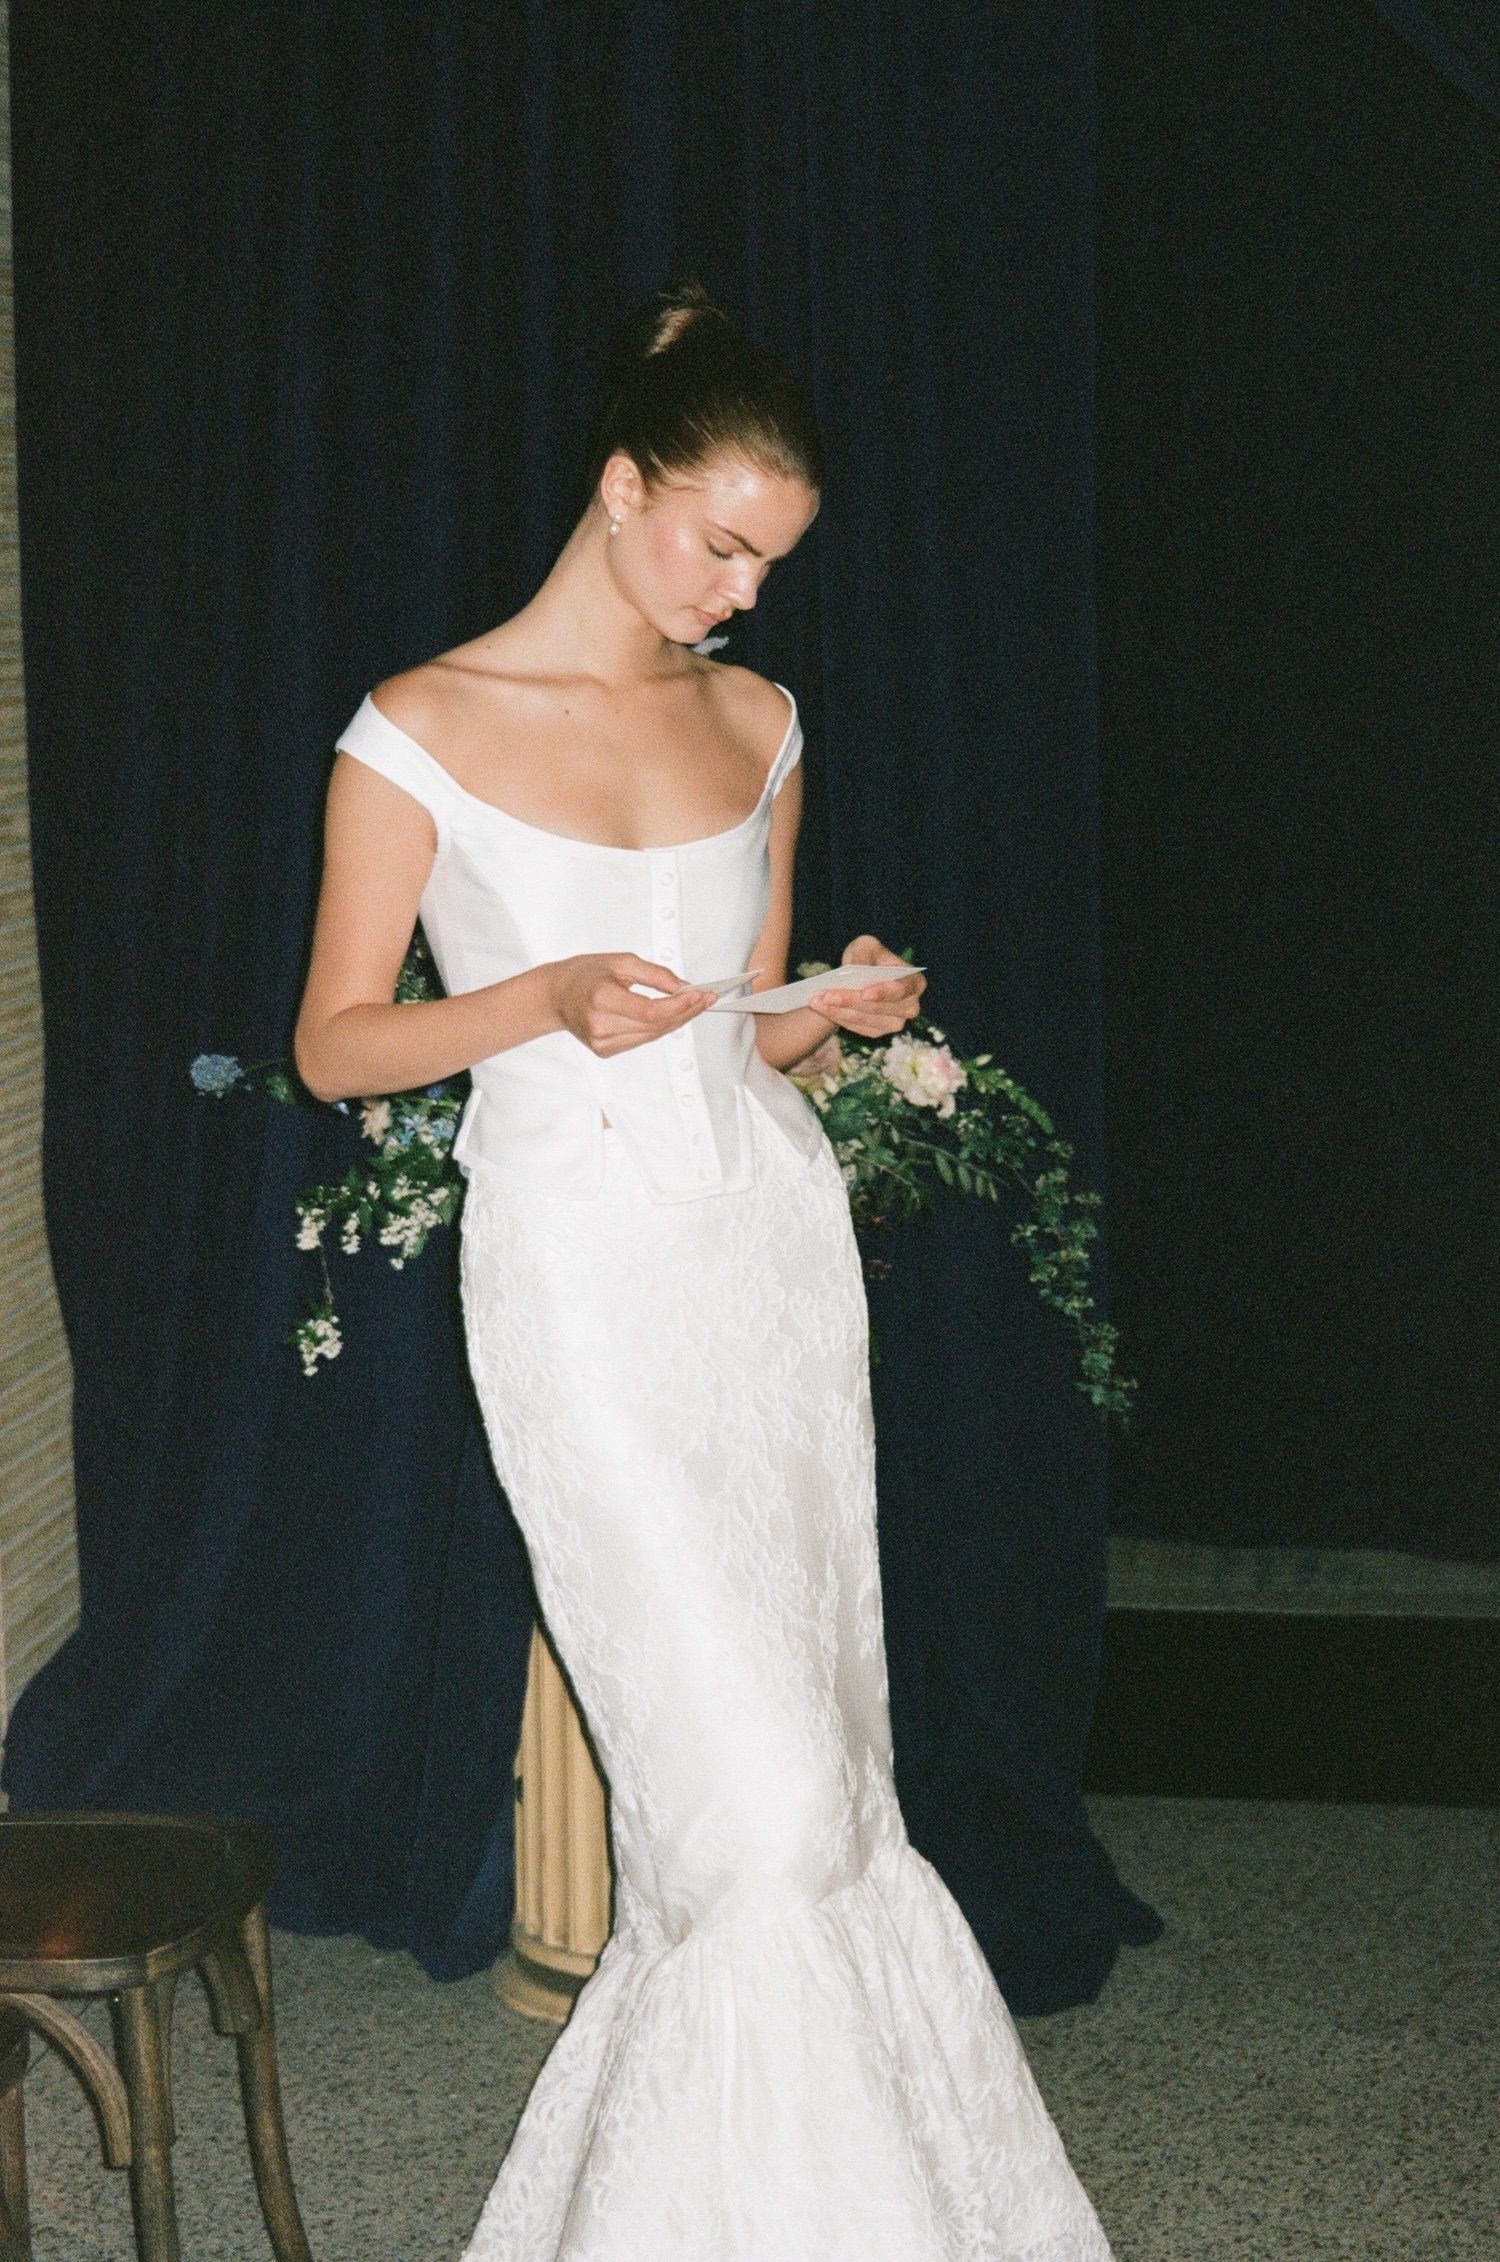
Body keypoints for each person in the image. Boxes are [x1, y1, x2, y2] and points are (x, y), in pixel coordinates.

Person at [294, 279, 1113, 2261]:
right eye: (720, 543)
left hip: (766, 1267)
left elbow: (738, 1034)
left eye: (772, 563)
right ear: (619, 483)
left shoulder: (762, 721)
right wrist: (537, 996)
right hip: (581, 1288)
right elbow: (332, 1042)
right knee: (738, 1818)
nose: (742, 593)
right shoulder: (421, 729)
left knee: (822, 1796)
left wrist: (830, 1004)